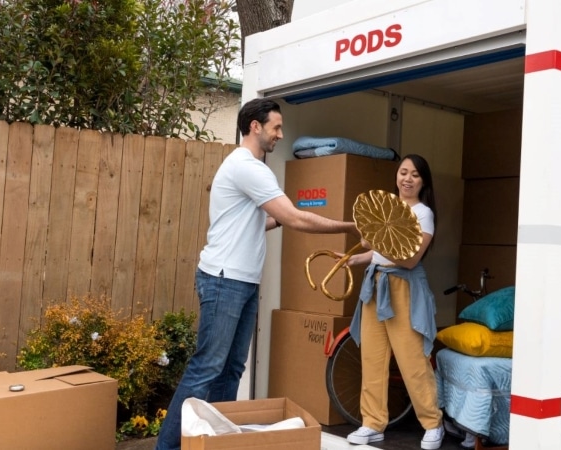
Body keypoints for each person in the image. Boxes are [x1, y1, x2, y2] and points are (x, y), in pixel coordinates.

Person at [155, 98, 358, 450]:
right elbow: (294, 218)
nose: (280, 135)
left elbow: (262, 220)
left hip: (241, 281)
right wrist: (349, 227)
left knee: (231, 370)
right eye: (276, 127)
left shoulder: (248, 169)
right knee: (207, 368)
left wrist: (289, 213)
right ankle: (168, 448)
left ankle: (212, 443)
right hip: (224, 279)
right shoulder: (248, 167)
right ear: (255, 126)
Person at [339, 154, 444, 450]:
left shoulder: (423, 214)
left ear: (423, 182)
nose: (407, 179)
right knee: (372, 359)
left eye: (415, 175)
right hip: (376, 283)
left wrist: (374, 242)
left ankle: (432, 423)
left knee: (413, 361)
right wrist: (353, 259)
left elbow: (410, 260)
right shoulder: (385, 210)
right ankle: (372, 424)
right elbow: (378, 254)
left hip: (404, 286)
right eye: (403, 173)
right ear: (396, 176)